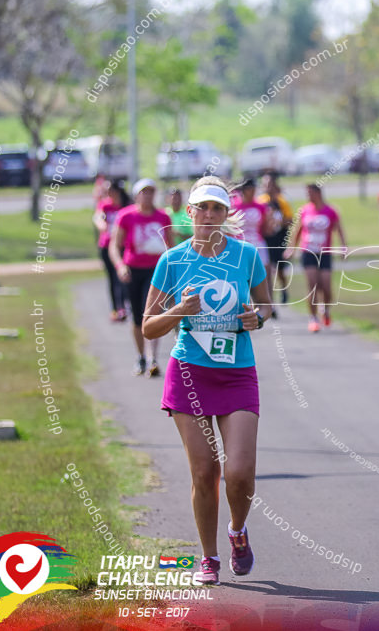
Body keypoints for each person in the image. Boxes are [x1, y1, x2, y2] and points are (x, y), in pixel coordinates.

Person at [143, 176, 271, 586]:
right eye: (203, 208)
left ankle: (237, 530)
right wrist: (179, 310)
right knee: (204, 473)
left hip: (236, 372)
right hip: (189, 375)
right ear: (190, 213)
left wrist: (259, 318)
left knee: (240, 472)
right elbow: (148, 327)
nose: (210, 215)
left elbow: (266, 305)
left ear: (226, 214)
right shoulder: (172, 261)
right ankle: (209, 557)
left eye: (218, 208)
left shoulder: (247, 256)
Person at [110, 178, 173, 377]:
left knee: (153, 313)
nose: (147, 196)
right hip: (133, 270)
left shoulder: (163, 217)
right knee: (137, 317)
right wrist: (120, 266)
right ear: (137, 195)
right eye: (144, 192)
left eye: (151, 192)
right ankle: (141, 357)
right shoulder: (126, 216)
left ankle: (153, 357)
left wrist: (174, 270)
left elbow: (170, 246)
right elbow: (114, 245)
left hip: (156, 270)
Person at [284, 184, 346, 333]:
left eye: (310, 193)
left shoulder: (330, 211)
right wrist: (291, 248)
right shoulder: (305, 210)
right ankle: (313, 318)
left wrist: (344, 246)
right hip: (308, 252)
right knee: (312, 285)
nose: (308, 196)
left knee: (325, 286)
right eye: (307, 193)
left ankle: (325, 310)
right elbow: (298, 230)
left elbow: (339, 229)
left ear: (318, 193)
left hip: (325, 253)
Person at [93, 180, 130, 322]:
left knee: (123, 277)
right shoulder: (105, 205)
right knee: (112, 278)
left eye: (111, 191)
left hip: (123, 247)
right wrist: (101, 224)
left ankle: (125, 306)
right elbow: (98, 217)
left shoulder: (126, 207)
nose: (109, 194)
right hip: (107, 246)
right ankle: (116, 309)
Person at [258, 173, 293, 309]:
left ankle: (284, 288)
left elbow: (290, 220)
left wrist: (278, 221)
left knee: (279, 268)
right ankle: (269, 299)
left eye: (270, 184)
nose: (267, 187)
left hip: (279, 238)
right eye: (265, 184)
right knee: (268, 269)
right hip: (265, 239)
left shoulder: (282, 201)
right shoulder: (261, 201)